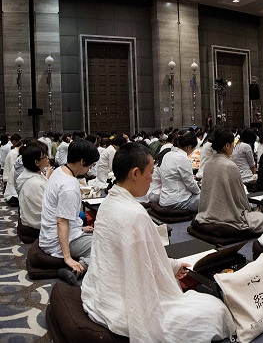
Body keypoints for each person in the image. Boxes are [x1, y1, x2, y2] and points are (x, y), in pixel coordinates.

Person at [81, 142, 236, 341]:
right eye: (151, 172)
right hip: (122, 305)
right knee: (215, 310)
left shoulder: (108, 203)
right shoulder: (134, 214)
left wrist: (172, 266)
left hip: (101, 294)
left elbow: (139, 257)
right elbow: (148, 262)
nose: (153, 178)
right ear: (135, 173)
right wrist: (172, 267)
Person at [39, 139, 100, 284]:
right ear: (82, 161)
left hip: (49, 234)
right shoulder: (69, 187)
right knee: (106, 247)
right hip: (58, 239)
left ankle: (81, 263)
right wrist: (67, 258)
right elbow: (61, 222)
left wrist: (80, 228)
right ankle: (78, 268)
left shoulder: (59, 170)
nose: (90, 168)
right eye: (90, 165)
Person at [195, 130, 263, 234]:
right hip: (226, 214)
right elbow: (240, 197)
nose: (234, 146)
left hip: (207, 211)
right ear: (227, 145)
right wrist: (248, 209)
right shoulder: (229, 166)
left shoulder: (209, 163)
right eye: (233, 143)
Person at [17, 141, 51, 238]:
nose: (48, 158)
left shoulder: (33, 175)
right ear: (36, 162)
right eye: (45, 156)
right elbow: (46, 211)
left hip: (30, 221)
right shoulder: (34, 183)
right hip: (34, 227)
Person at [159, 134, 201, 211]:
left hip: (164, 199)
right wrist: (199, 191)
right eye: (193, 149)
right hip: (177, 201)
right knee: (208, 198)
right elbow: (190, 183)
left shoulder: (167, 155)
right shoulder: (182, 158)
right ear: (189, 147)